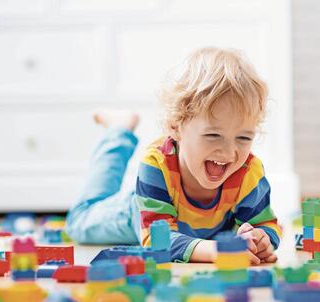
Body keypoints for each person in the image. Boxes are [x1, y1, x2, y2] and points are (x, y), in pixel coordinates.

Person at [66, 47, 281, 264]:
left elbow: (267, 225)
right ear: (175, 127)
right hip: (137, 213)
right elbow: (157, 239)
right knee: (80, 222)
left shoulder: (248, 172)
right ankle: (118, 132)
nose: (228, 152)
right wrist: (216, 251)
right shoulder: (156, 164)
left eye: (243, 138)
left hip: (190, 232)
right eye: (213, 135)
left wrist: (261, 240)